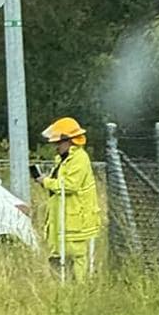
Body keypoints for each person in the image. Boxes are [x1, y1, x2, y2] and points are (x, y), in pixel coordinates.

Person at [37, 117, 100, 281]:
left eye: (58, 143)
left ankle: (80, 289)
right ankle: (63, 287)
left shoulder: (79, 158)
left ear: (69, 140)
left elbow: (70, 186)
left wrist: (46, 182)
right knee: (58, 254)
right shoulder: (62, 160)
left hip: (76, 220)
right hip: (61, 218)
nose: (56, 147)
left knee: (77, 255)